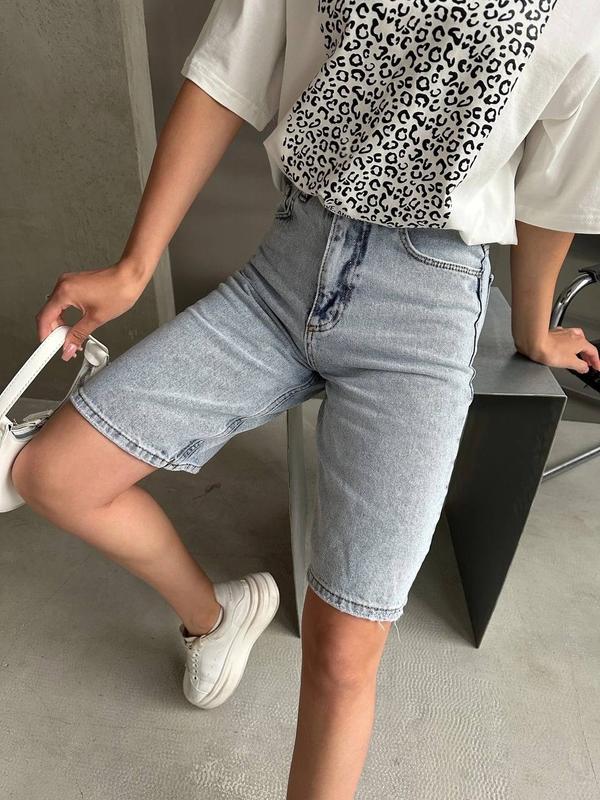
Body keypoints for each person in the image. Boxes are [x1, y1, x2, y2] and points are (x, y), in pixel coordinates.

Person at [11, 2, 600, 797]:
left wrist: (532, 330)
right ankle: (215, 618)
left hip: (423, 310)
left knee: (344, 648)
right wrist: (134, 267)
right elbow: (227, 72)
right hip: (285, 267)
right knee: (52, 474)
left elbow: (554, 191)